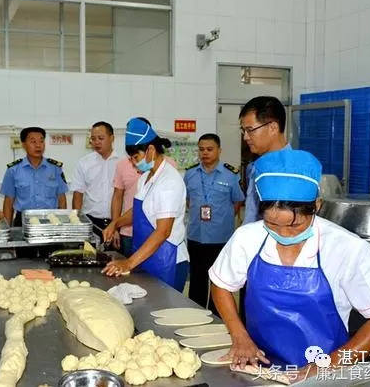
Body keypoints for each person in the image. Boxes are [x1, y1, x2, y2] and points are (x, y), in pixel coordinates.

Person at [209, 149, 370, 377]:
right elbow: (221, 284)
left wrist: (324, 366)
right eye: (272, 224)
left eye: (295, 226)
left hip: (327, 371)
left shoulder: (347, 248)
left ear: (317, 205)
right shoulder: (247, 237)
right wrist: (240, 336)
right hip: (261, 368)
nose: (284, 234)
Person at [102, 117, 189, 292]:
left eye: (136, 157)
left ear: (150, 150)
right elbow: (138, 210)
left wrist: (129, 262)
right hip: (147, 255)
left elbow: (163, 231)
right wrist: (116, 223)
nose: (134, 163)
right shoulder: (145, 178)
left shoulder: (169, 182)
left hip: (168, 260)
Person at [184, 133, 244, 312]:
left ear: (219, 150)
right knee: (197, 281)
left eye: (209, 149)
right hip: (196, 236)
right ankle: (196, 314)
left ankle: (217, 317)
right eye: (201, 149)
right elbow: (188, 200)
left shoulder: (231, 175)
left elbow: (237, 202)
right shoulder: (190, 174)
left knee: (219, 282)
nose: (205, 153)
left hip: (221, 238)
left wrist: (221, 218)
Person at [0, 126, 68, 227]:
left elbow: (62, 198)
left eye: (41, 141)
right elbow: (8, 202)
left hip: (50, 221)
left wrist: (62, 226)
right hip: (23, 221)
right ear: (23, 144)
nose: (38, 145)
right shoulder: (13, 170)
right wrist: (7, 230)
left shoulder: (55, 168)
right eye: (33, 141)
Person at [239, 96, 289, 224]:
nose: (245, 137)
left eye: (250, 130)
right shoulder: (255, 167)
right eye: (243, 130)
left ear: (272, 128)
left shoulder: (292, 172)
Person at [71, 121, 119, 242]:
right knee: (90, 258)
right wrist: (78, 223)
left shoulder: (123, 162)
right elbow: (78, 194)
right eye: (93, 138)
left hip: (118, 222)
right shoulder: (84, 163)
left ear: (112, 138)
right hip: (91, 222)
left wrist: (117, 225)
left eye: (100, 138)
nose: (96, 142)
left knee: (115, 258)